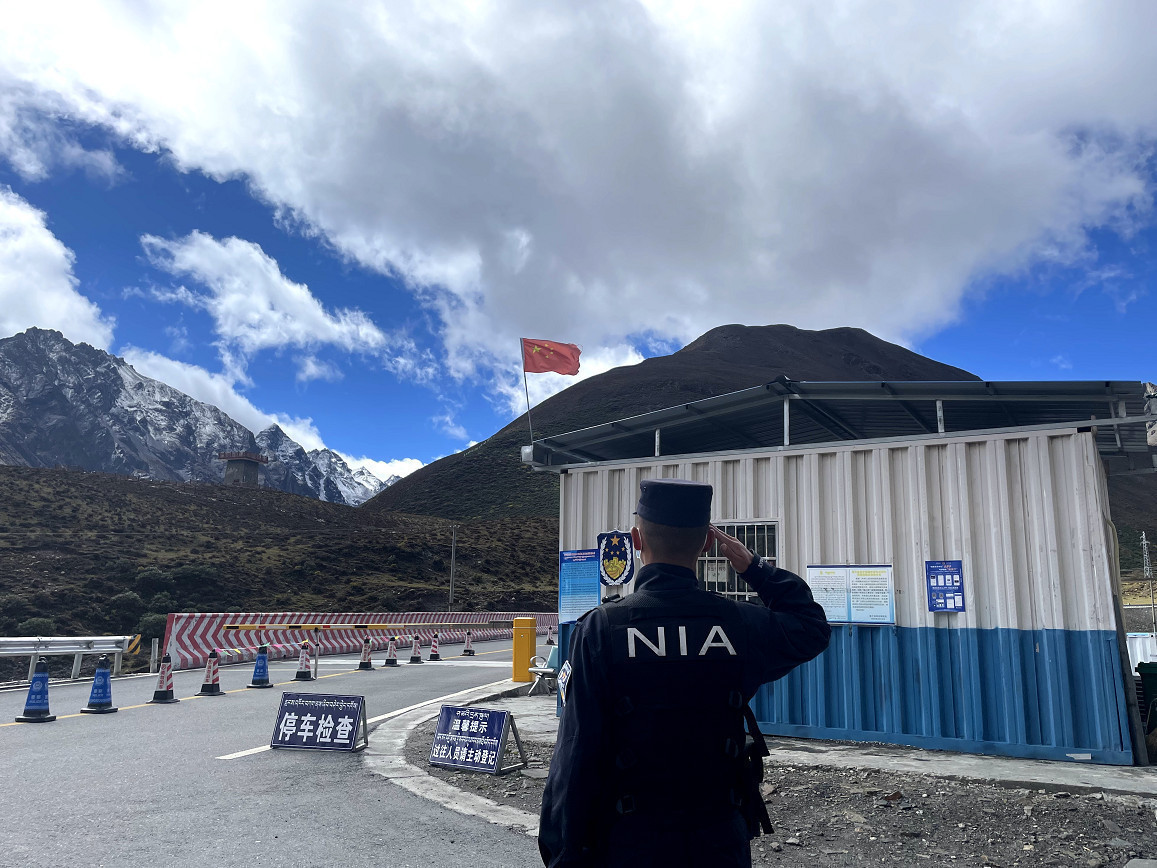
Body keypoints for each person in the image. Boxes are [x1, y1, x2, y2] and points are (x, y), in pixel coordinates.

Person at [538, 478, 831, 868]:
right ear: (707, 544)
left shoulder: (601, 630)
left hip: (631, 842)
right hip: (720, 841)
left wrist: (563, 852)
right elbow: (811, 627)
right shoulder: (740, 625)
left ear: (636, 540)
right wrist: (755, 568)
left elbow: (576, 753)